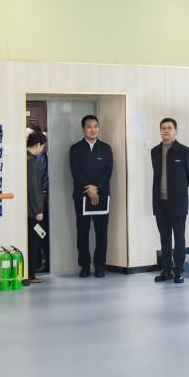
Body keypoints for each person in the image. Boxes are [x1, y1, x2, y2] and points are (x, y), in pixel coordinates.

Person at [150, 118, 189, 283]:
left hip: (178, 202)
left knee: (179, 237)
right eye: (163, 128)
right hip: (160, 201)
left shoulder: (184, 151)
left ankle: (179, 271)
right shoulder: (155, 151)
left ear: (176, 131)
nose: (166, 131)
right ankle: (166, 270)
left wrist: (178, 189)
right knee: (164, 237)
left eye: (169, 128)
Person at [69, 115, 113, 278]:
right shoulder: (75, 149)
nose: (93, 129)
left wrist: (97, 188)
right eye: (89, 126)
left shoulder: (106, 148)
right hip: (82, 195)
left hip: (102, 195)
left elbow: (108, 171)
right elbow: (76, 172)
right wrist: (89, 189)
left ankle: (100, 265)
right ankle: (85, 266)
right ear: (83, 129)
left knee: (102, 232)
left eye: (96, 126)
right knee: (83, 232)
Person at [26, 130, 48, 283]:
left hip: (28, 210)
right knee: (34, 241)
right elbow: (33, 188)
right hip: (32, 211)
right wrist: (38, 210)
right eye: (43, 147)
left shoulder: (25, 158)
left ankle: (31, 272)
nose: (42, 150)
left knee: (34, 238)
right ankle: (31, 274)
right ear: (38, 145)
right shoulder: (31, 161)